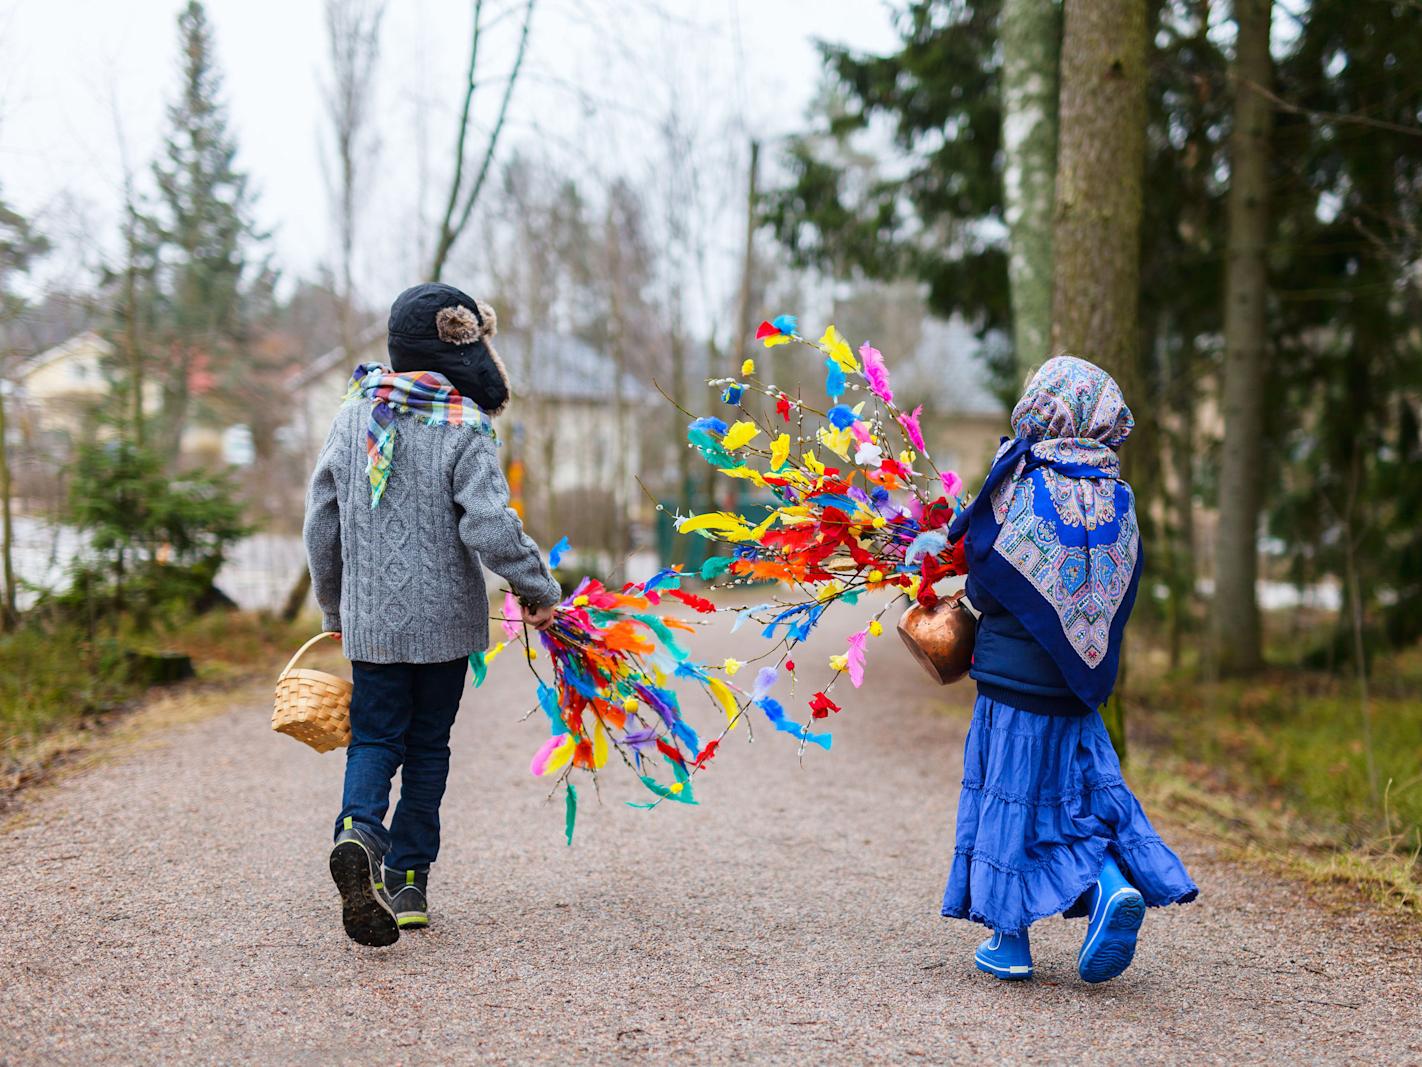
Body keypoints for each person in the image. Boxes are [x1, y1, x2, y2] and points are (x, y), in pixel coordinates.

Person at [303, 282, 562, 947]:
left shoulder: (352, 416)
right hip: (445, 627)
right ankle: (409, 879)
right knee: (427, 746)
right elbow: (492, 527)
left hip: (372, 625)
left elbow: (320, 523)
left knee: (374, 737)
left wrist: (335, 604)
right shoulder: (465, 424)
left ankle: (359, 832)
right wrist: (537, 589)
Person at [941, 355, 1197, 983]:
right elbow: (1126, 583)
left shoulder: (1019, 478)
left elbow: (986, 570)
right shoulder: (1120, 496)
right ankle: (1109, 885)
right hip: (1078, 688)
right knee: (1076, 801)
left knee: (1011, 797)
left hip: (1011, 682)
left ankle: (1010, 942)